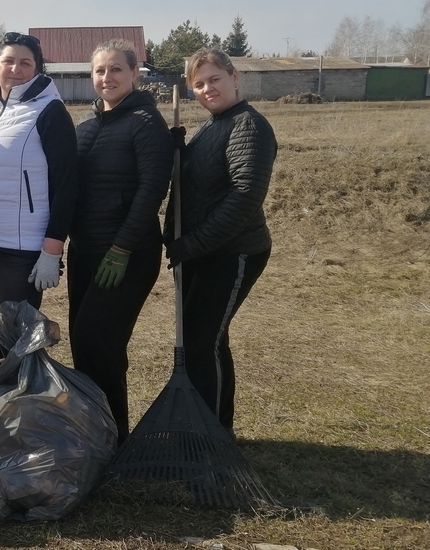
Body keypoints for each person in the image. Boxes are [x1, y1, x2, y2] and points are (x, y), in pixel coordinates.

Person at [164, 48, 277, 435]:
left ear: (234, 76)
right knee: (210, 341)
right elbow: (199, 186)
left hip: (233, 252)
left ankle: (209, 438)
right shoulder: (213, 125)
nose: (207, 88)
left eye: (214, 79)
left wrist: (191, 245)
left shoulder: (248, 125)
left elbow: (244, 198)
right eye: (198, 83)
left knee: (199, 343)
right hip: (200, 253)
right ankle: (216, 428)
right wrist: (180, 154)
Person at [68, 39, 174, 444]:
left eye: (116, 69)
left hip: (127, 255)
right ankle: (94, 430)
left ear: (134, 73)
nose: (106, 77)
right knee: (83, 342)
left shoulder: (146, 123)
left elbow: (152, 191)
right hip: (86, 252)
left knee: (101, 342)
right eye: (99, 71)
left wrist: (123, 247)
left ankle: (116, 438)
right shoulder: (88, 125)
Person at [0, 31, 78, 364]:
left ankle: (24, 402)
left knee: (15, 331)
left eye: (26, 62)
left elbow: (67, 183)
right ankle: (7, 397)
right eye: (8, 60)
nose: (15, 68)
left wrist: (52, 248)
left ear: (38, 68)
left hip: (22, 247)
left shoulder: (50, 111)